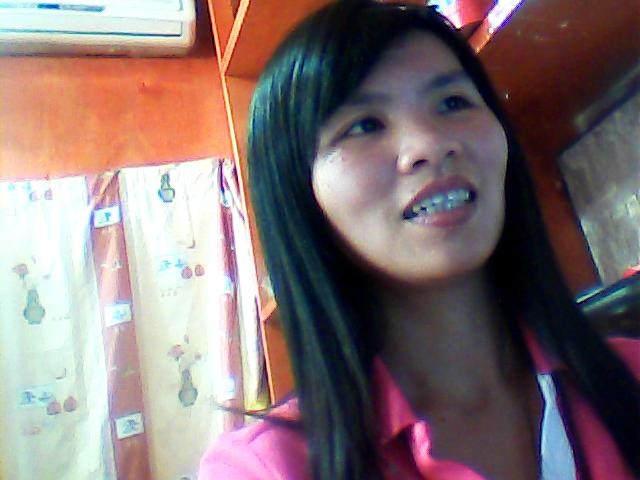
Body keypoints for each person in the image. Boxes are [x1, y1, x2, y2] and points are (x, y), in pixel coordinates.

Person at [199, 1, 640, 479]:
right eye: (363, 125)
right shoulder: (265, 467)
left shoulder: (630, 374)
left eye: (453, 102)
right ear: (300, 195)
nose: (430, 144)